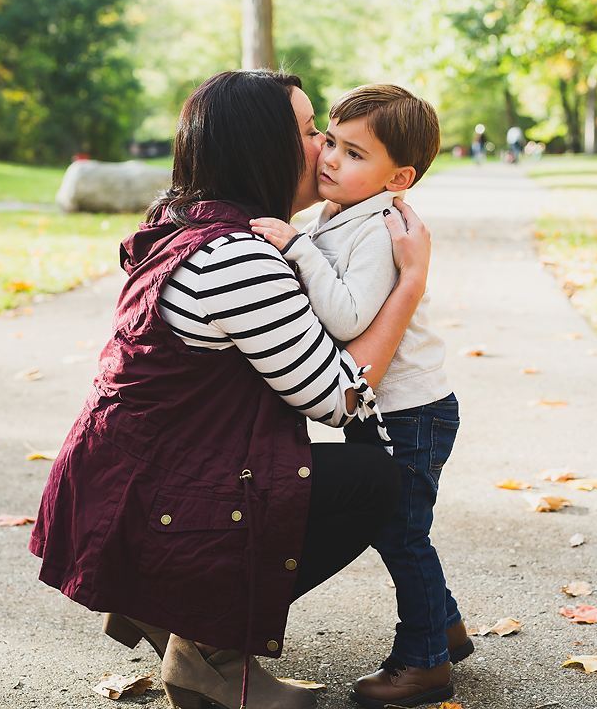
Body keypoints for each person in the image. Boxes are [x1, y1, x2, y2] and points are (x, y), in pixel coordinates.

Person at [29, 70, 432, 709]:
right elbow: (340, 397)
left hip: (121, 490)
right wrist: (410, 283)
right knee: (371, 480)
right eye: (309, 131)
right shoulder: (239, 258)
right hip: (146, 509)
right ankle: (206, 652)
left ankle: (163, 608)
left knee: (323, 471)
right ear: (262, 147)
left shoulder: (189, 221)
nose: (324, 145)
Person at [251, 84, 467, 709]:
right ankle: (444, 625)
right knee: (397, 524)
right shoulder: (338, 213)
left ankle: (424, 659)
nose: (329, 159)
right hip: (386, 407)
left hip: (410, 411)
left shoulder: (378, 227)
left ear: (398, 176)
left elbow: (347, 319)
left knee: (401, 532)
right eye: (332, 142)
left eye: (352, 152)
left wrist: (294, 251)